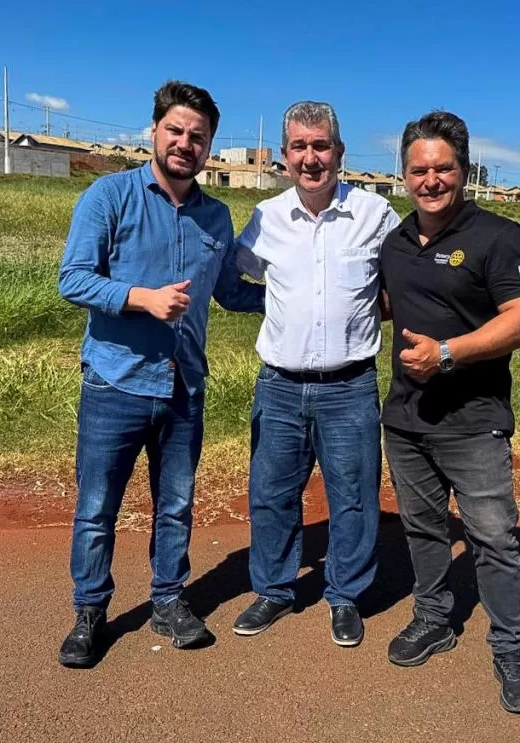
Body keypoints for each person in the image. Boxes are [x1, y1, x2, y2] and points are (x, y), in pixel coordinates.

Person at [56, 81, 265, 667]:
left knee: (175, 505)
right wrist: (139, 298)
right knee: (97, 508)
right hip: (114, 382)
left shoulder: (217, 216)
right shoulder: (109, 196)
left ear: (209, 148)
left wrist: (302, 297)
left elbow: (228, 291)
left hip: (183, 387)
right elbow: (72, 279)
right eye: (175, 131)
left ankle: (169, 601)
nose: (185, 143)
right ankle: (89, 611)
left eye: (198, 137)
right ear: (154, 131)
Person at [378, 111, 520, 714]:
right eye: (419, 169)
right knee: (422, 530)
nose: (430, 180)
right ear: (403, 174)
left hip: (475, 421)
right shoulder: (394, 242)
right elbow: (384, 305)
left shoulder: (501, 236)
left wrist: (448, 355)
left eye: (442, 168)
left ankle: (512, 648)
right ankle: (433, 618)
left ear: (464, 170)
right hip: (405, 419)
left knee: (492, 537)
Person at [231, 101, 400, 647]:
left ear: (340, 152)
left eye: (320, 145)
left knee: (353, 494)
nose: (311, 158)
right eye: (300, 147)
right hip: (279, 386)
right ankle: (275, 591)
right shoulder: (266, 217)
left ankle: (345, 596)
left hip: (349, 387)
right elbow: (239, 281)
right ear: (284, 156)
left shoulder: (376, 215)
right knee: (272, 494)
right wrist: (284, 312)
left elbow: (404, 286)